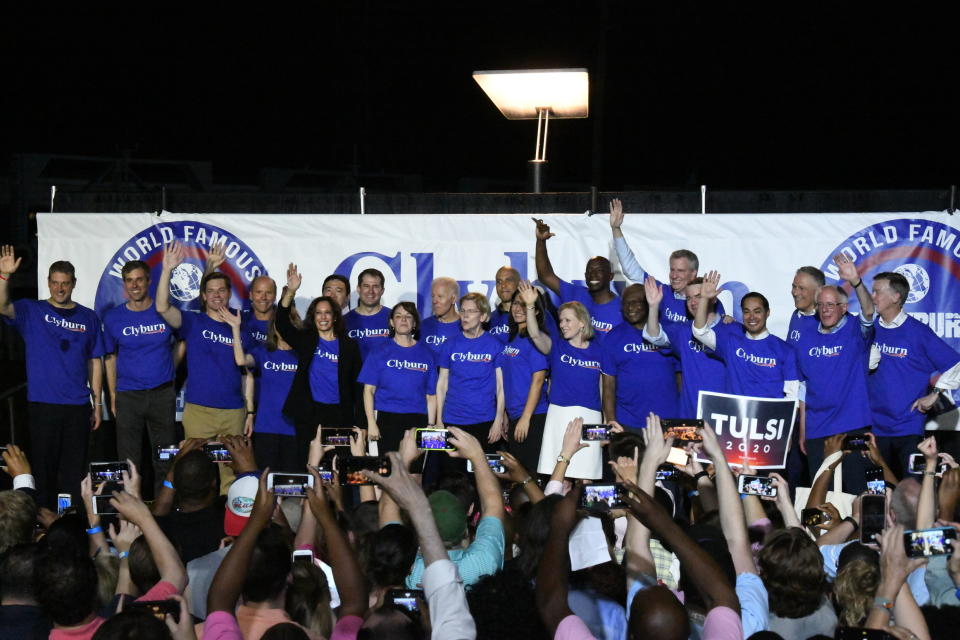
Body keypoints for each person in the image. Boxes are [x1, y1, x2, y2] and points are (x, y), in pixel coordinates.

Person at [0, 246, 104, 508]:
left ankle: (70, 522)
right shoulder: (31, 311)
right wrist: (4, 276)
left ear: (73, 284)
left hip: (78, 407)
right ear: (48, 282)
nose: (59, 289)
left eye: (65, 284)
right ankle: (43, 521)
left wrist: (98, 404)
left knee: (74, 472)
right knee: (43, 470)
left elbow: (95, 360)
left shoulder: (88, 317)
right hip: (43, 406)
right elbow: (2, 307)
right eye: (55, 283)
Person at [155, 241, 246, 488]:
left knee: (230, 475)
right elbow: (162, 307)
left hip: (232, 411)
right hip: (199, 411)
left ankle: (230, 520)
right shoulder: (193, 322)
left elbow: (247, 370)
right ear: (203, 296)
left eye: (222, 290)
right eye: (211, 291)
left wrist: (249, 411)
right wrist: (167, 270)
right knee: (193, 471)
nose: (217, 294)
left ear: (229, 294)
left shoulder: (240, 325)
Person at [795, 254, 875, 491]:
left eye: (831, 305)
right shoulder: (806, 337)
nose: (825, 310)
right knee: (821, 494)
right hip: (817, 429)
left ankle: (855, 528)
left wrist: (857, 282)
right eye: (821, 305)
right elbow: (803, 388)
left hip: (853, 425)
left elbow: (869, 311)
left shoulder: (854, 330)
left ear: (843, 307)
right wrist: (803, 431)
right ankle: (819, 531)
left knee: (856, 490)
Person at [868, 270, 960, 476]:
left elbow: (955, 364)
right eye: (872, 292)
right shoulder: (869, 329)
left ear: (896, 297)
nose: (872, 297)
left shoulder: (918, 332)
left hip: (907, 428)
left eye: (877, 292)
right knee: (877, 493)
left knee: (913, 492)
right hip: (873, 429)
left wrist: (934, 394)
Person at [101, 259, 178, 495]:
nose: (134, 285)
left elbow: (183, 341)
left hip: (161, 394)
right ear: (124, 284)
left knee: (166, 457)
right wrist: (113, 394)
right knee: (128, 461)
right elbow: (110, 358)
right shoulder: (113, 318)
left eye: (139, 279)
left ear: (148, 281)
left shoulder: (163, 311)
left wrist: (169, 368)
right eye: (129, 280)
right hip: (128, 396)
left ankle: (164, 512)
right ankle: (131, 516)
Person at [276, 263, 363, 464]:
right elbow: (281, 322)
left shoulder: (349, 347)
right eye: (318, 313)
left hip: (339, 416)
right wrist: (290, 291)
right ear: (313, 317)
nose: (323, 317)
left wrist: (361, 423)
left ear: (334, 317)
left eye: (327, 313)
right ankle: (309, 496)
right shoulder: (307, 340)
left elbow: (357, 387)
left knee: (336, 464)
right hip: (309, 414)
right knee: (308, 463)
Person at [522, 281, 609, 479]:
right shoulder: (557, 347)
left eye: (568, 320)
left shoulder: (600, 351)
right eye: (561, 321)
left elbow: (604, 387)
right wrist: (529, 305)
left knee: (587, 476)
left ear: (582, 323)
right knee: (556, 472)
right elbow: (535, 334)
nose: (562, 325)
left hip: (591, 416)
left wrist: (604, 423)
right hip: (559, 414)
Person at [608, 198, 723, 326]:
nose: (674, 275)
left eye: (680, 271)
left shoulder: (710, 299)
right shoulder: (662, 292)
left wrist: (728, 319)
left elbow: (722, 328)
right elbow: (631, 269)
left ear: (693, 274)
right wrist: (616, 229)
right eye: (672, 270)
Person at [693, 272, 800, 400]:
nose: (752, 317)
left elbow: (792, 397)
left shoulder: (785, 350)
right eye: (746, 312)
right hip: (736, 418)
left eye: (757, 311)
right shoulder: (731, 343)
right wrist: (704, 299)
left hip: (769, 417)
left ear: (768, 313)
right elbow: (700, 331)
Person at [220, 309, 300, 471]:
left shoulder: (302, 354)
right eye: (280, 324)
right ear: (274, 327)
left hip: (294, 429)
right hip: (266, 428)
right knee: (265, 481)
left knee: (290, 485)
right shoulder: (263, 352)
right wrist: (236, 328)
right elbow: (241, 361)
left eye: (288, 324)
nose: (284, 328)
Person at [644, 276, 728, 420]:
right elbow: (654, 337)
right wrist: (653, 307)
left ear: (713, 298)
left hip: (724, 418)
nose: (693, 302)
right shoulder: (682, 331)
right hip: (690, 416)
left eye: (698, 297)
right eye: (688, 298)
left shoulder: (734, 330)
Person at [359, 301, 438, 453]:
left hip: (418, 419)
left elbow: (431, 395)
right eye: (398, 316)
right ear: (391, 322)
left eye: (408, 316)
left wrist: (430, 424)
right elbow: (368, 391)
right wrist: (371, 423)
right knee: (385, 472)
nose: (403, 320)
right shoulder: (378, 352)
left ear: (414, 323)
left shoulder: (427, 354)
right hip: (385, 418)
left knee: (414, 474)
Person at [602, 283, 679, 431]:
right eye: (626, 303)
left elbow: (681, 377)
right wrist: (611, 420)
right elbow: (608, 385)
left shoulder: (670, 332)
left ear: (648, 302)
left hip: (668, 421)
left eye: (636, 302)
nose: (630, 307)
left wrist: (682, 418)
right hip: (627, 423)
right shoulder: (613, 337)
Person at [435, 292, 506, 453]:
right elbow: (442, 384)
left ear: (483, 317)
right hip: (451, 420)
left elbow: (501, 387)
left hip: (484, 420)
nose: (465, 316)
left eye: (471, 311)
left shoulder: (495, 345)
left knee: (481, 473)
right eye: (463, 311)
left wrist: (498, 420)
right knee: (452, 475)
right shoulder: (450, 344)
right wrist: (439, 420)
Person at [533, 217, 621, 341]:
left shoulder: (621, 308)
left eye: (599, 270)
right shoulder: (576, 294)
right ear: (585, 276)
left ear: (610, 276)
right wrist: (541, 241)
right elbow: (545, 275)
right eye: (589, 271)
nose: (593, 274)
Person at [502, 287, 550, 473]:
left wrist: (526, 418)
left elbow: (538, 380)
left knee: (529, 474)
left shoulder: (534, 339)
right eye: (515, 303)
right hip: (515, 416)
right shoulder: (512, 339)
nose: (518, 308)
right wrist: (507, 415)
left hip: (533, 416)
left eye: (524, 304)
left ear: (535, 310)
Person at [343, 268, 391, 359]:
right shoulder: (344, 321)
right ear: (358, 289)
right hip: (354, 373)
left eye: (375, 286)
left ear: (382, 291)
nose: (371, 291)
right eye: (366, 286)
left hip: (385, 373)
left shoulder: (394, 318)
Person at [419, 277, 462, 362]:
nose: (435, 300)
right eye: (433, 296)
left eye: (440, 296)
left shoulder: (466, 326)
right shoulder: (423, 326)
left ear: (453, 299)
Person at [489, 266, 520, 342]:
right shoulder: (488, 319)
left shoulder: (535, 315)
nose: (503, 285)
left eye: (508, 280)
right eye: (499, 281)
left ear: (519, 284)